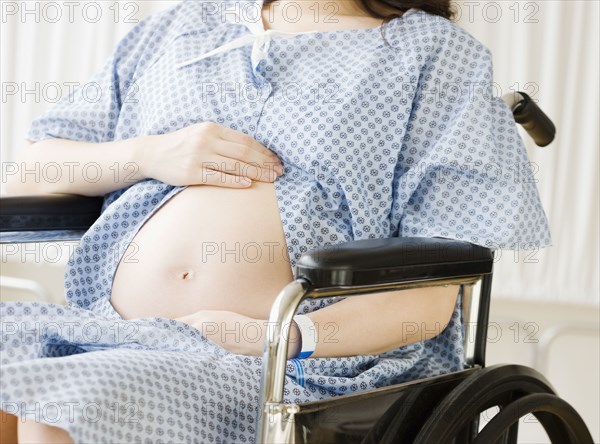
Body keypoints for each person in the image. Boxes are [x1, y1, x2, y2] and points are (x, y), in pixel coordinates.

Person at [0, 0, 552, 442]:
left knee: (62, 399)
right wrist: (148, 155)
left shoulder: (433, 55)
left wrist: (274, 337)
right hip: (110, 331)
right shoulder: (178, 26)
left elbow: (429, 296)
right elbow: (32, 167)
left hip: (287, 368)